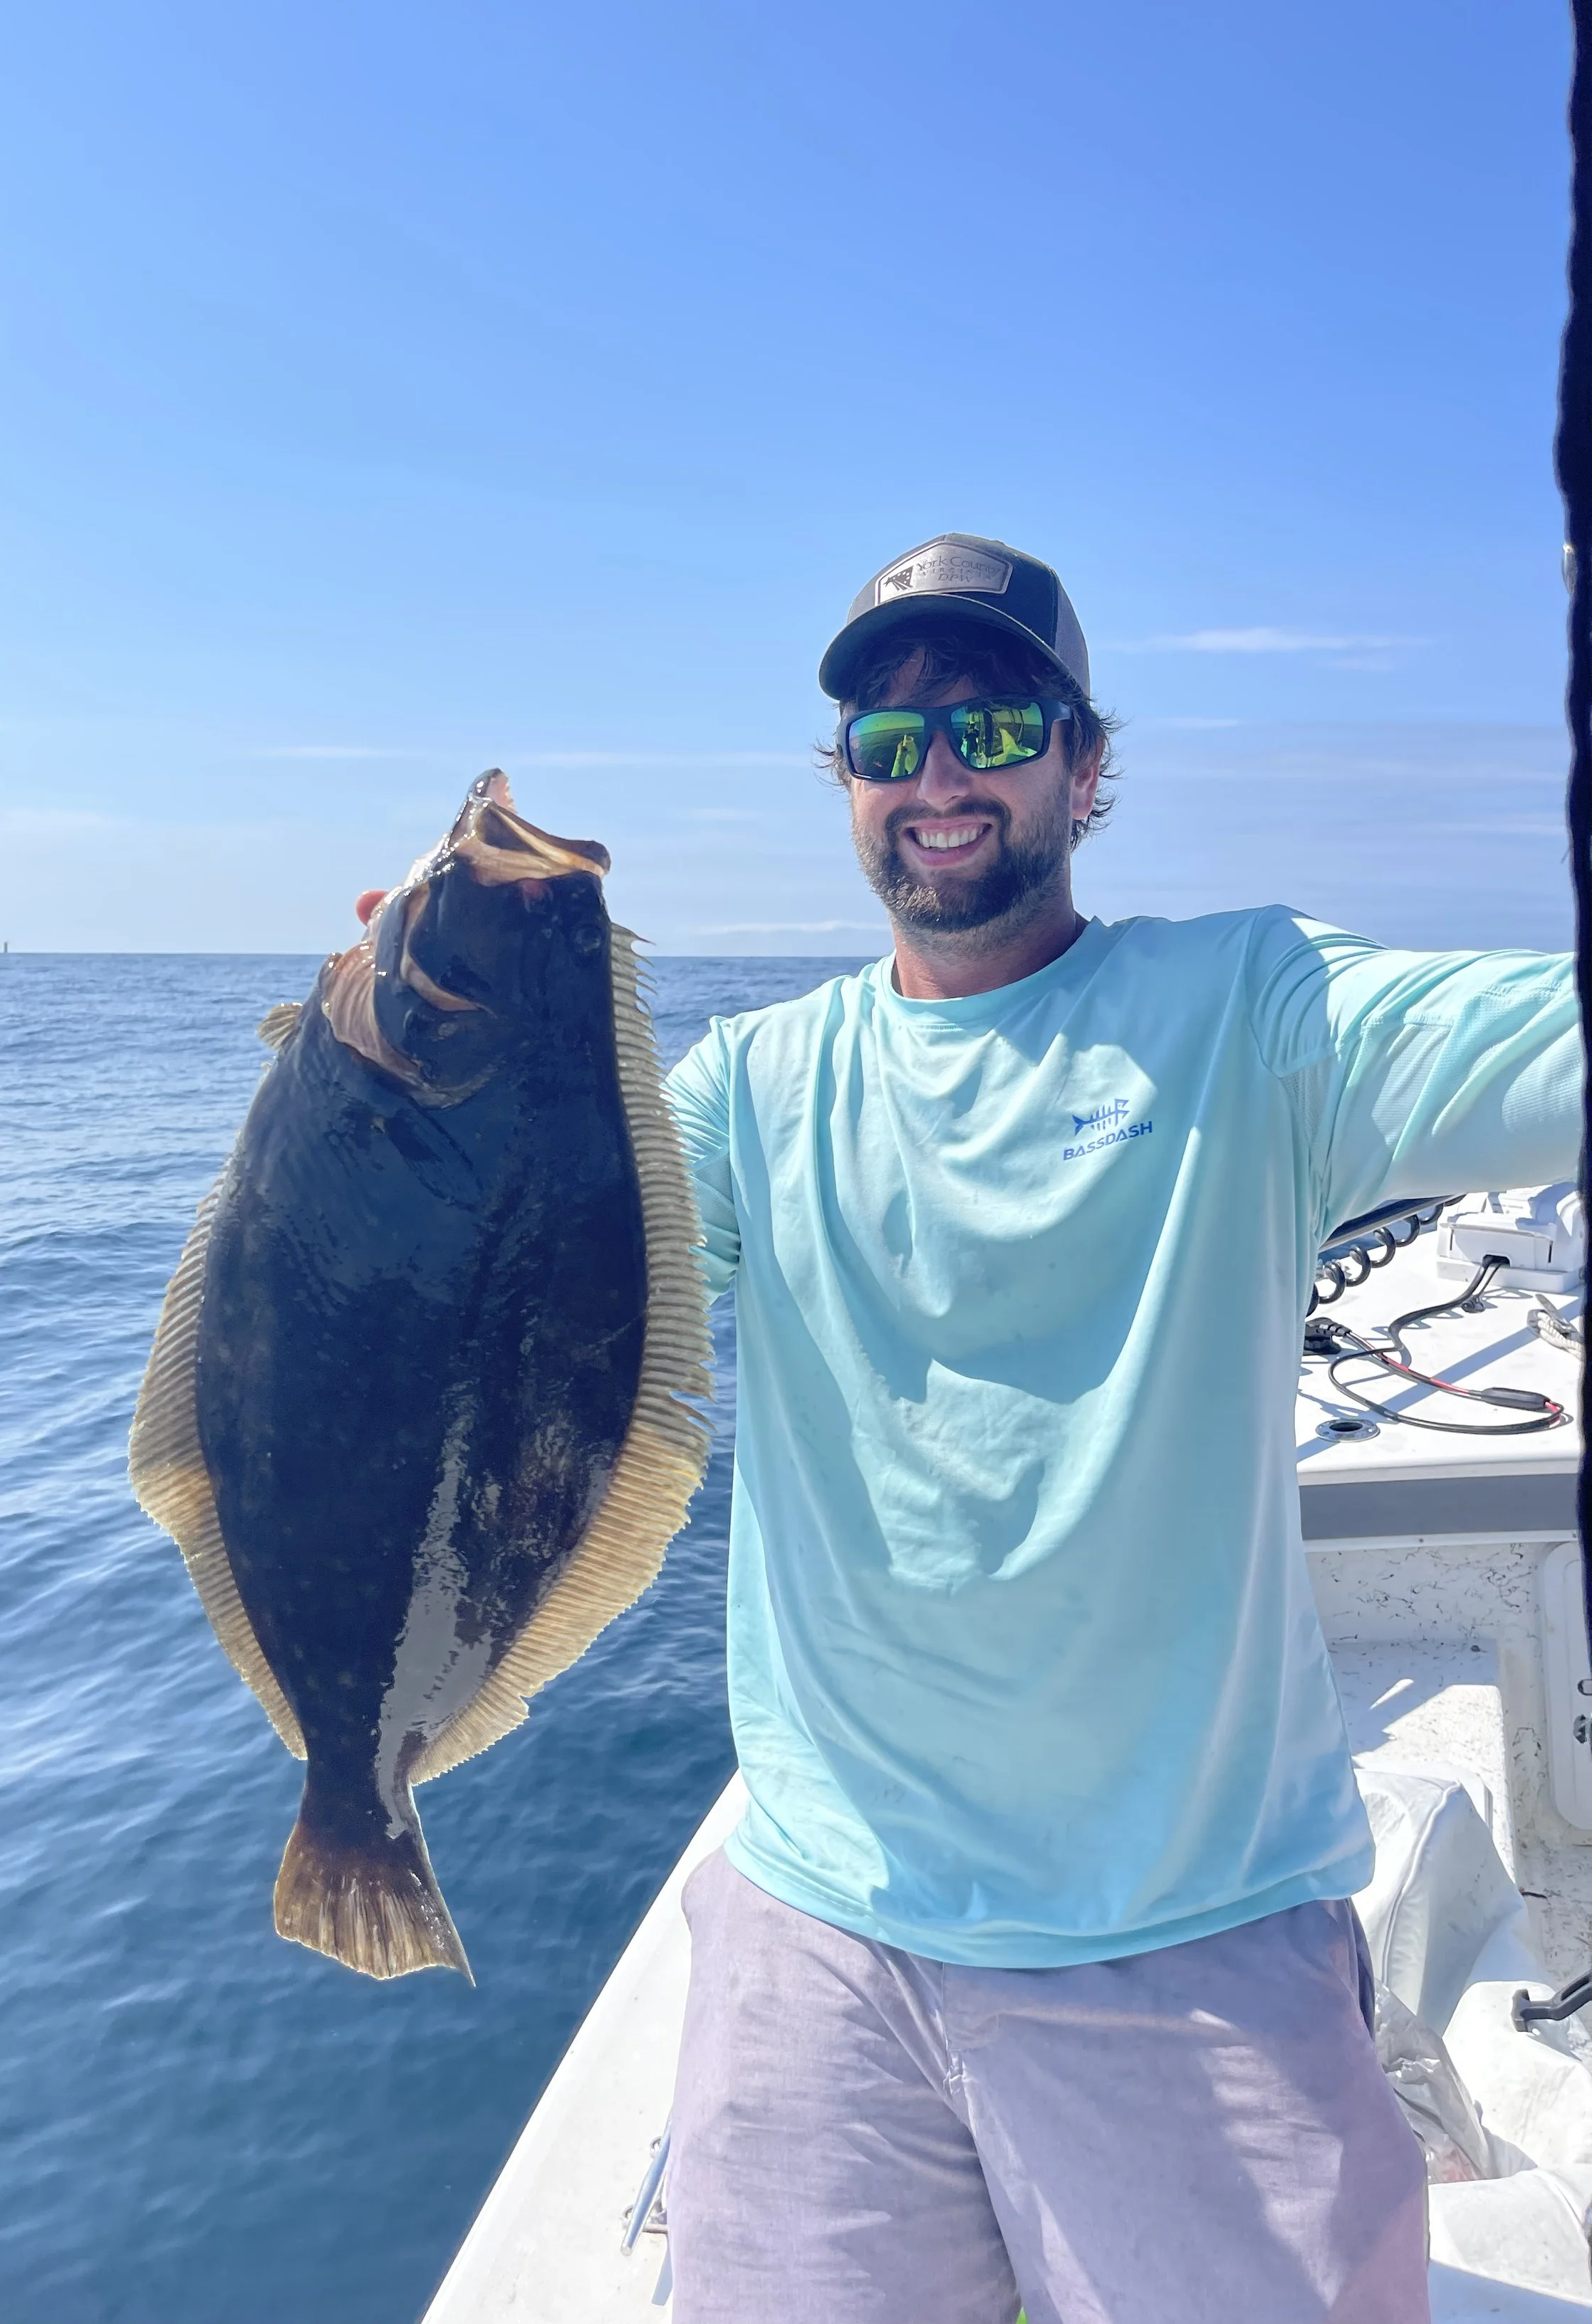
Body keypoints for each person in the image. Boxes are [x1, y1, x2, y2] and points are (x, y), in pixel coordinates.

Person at [658, 533, 1582, 2324]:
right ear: (840, 782)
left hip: (1191, 1931)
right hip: (821, 1921)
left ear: (1085, 768)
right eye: (884, 738)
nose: (935, 775)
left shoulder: (1255, 1014)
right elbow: (572, 1319)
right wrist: (418, 1085)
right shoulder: (743, 1089)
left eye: (992, 722)